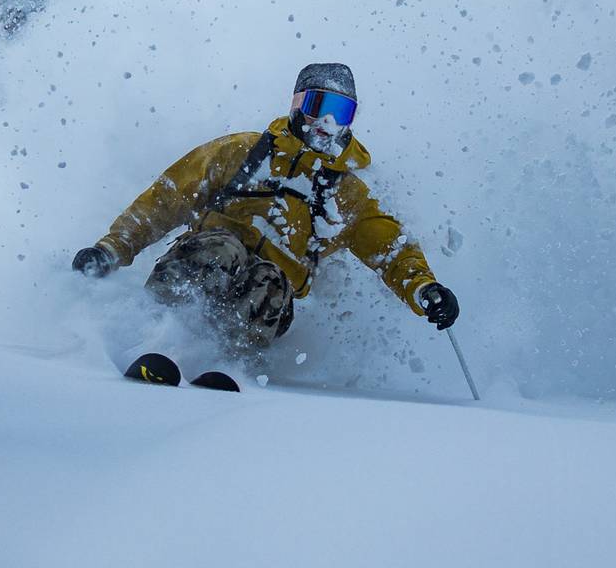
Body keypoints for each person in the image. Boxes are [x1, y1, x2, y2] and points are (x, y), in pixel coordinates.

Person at [72, 63, 460, 353]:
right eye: (319, 106)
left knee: (271, 281)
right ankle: (152, 334)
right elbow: (168, 198)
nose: (326, 123)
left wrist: (424, 289)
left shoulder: (344, 191)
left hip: (267, 293)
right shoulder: (243, 151)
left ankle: (220, 361)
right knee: (223, 248)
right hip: (209, 256)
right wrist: (112, 248)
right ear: (297, 105)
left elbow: (389, 248)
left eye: (340, 114)